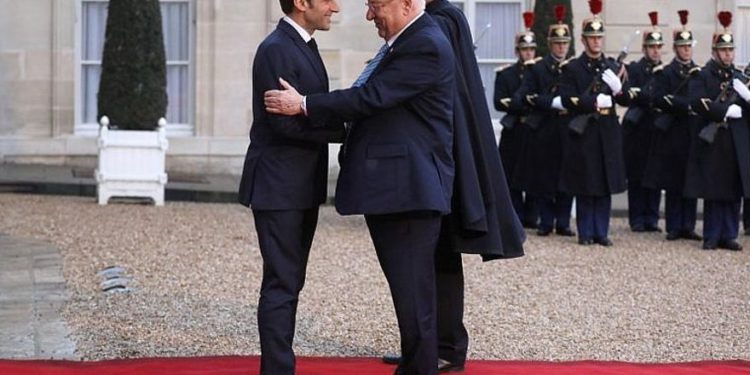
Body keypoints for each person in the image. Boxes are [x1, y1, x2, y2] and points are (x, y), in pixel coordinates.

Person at [264, 0, 456, 373]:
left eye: (375, 5)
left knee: (413, 294)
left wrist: (304, 104)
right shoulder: (406, 41)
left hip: (408, 192)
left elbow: (370, 98)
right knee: (410, 293)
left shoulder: (424, 43)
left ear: (406, 3)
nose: (369, 15)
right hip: (398, 191)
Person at [380, 0, 526, 372]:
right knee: (435, 256)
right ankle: (435, 346)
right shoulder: (446, 17)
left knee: (436, 256)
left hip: (441, 155)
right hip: (445, 150)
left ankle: (441, 347)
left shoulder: (436, 22)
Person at [237, 1, 343, 374]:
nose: (336, 7)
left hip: (299, 185)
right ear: (301, 3)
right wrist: (344, 129)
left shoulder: (304, 44)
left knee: (290, 279)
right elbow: (283, 125)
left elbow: (305, 110)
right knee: (282, 281)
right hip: (278, 185)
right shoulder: (277, 49)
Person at [557, 0, 626, 246]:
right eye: (592, 37)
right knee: (586, 183)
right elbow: (567, 98)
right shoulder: (574, 68)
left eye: (599, 37)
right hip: (585, 132)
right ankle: (586, 232)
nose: (596, 41)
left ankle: (601, 231)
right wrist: (594, 103)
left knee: (605, 183)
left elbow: (626, 97)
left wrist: (619, 90)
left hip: (607, 131)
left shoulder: (612, 66)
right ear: (584, 41)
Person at [685, 11, 750, 251]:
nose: (727, 54)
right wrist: (722, 111)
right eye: (723, 51)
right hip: (714, 140)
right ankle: (712, 234)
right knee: (714, 189)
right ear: (714, 51)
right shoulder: (703, 75)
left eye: (730, 50)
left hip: (735, 141)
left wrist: (747, 96)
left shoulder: (740, 78)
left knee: (733, 190)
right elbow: (697, 102)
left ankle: (729, 234)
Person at [513, 5, 576, 238]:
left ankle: (563, 221)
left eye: (564, 43)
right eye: (557, 43)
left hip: (568, 129)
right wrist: (549, 102)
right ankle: (546, 221)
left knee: (566, 178)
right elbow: (523, 96)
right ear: (550, 44)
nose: (561, 47)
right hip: (545, 129)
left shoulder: (575, 68)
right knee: (544, 178)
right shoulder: (538, 68)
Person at [642, 10, 702, 241]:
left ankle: (689, 224)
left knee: (691, 180)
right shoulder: (666, 72)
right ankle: (674, 225)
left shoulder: (699, 73)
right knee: (674, 181)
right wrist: (685, 105)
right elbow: (659, 98)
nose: (686, 50)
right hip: (674, 132)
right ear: (676, 48)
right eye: (682, 46)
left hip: (692, 131)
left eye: (689, 46)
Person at [494, 12, 540, 229]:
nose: (528, 53)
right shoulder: (506, 74)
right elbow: (499, 102)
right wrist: (523, 101)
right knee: (510, 176)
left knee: (532, 174)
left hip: (533, 129)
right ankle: (515, 217)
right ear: (517, 51)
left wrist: (521, 102)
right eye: (524, 49)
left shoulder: (540, 73)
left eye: (531, 49)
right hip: (514, 130)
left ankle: (532, 216)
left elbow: (542, 101)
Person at [619, 11, 663, 233]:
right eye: (652, 47)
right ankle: (636, 218)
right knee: (636, 176)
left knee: (653, 175)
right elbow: (628, 95)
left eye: (658, 47)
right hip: (637, 129)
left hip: (656, 129)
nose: (655, 51)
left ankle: (652, 218)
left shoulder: (664, 71)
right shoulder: (635, 69)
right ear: (645, 49)